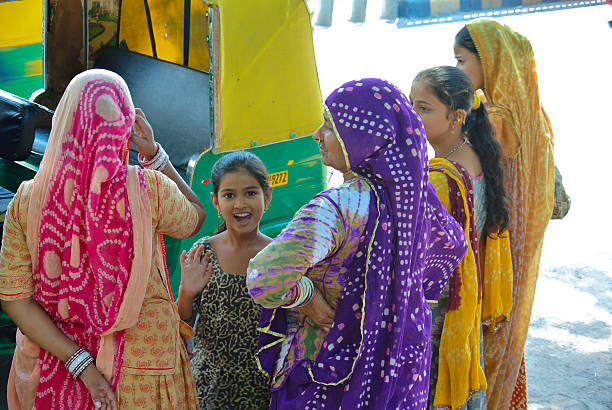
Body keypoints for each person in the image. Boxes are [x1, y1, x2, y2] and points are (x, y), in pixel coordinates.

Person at [246, 78, 468, 409]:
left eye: (330, 126)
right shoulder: (418, 199)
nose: (316, 135)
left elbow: (263, 279)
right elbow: (452, 243)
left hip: (325, 369)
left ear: (364, 139)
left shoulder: (336, 208)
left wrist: (310, 298)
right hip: (394, 369)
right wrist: (391, 305)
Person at [0, 69, 205, 409]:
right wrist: (154, 153)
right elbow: (196, 217)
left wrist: (80, 364)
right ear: (124, 125)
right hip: (143, 364)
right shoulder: (149, 189)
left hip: (57, 362)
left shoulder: (28, 200)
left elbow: (15, 300)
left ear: (66, 120)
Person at [454, 21, 555, 409]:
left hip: (488, 250)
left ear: (492, 62)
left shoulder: (488, 118)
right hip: (516, 251)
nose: (458, 70)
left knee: (485, 334)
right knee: (504, 333)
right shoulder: (535, 115)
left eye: (462, 61)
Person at [410, 66, 513, 410]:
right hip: (463, 309)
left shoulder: (442, 178)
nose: (413, 116)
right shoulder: (473, 155)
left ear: (456, 117)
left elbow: (419, 255)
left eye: (423, 108)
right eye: (411, 106)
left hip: (439, 317)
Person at [176, 151, 273, 409]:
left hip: (263, 389)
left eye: (250, 193)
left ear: (268, 196)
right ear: (215, 202)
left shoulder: (280, 256)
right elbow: (181, 324)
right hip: (209, 389)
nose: (240, 203)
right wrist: (187, 291)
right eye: (229, 195)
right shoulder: (204, 252)